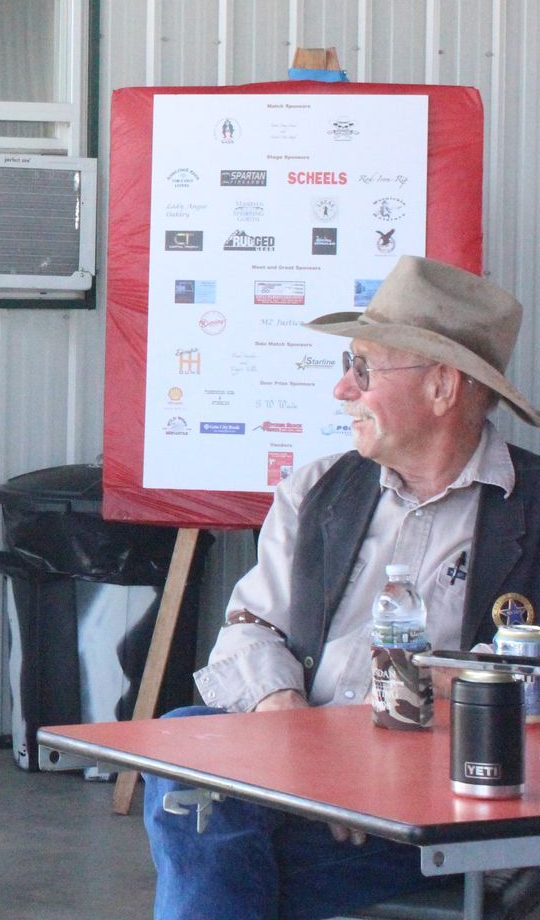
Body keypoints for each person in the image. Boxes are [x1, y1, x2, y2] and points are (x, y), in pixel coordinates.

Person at [143, 255, 540, 920]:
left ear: (442, 386)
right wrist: (297, 734)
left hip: (437, 802)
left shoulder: (531, 507)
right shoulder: (316, 490)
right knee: (187, 743)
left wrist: (387, 753)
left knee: (212, 844)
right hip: (292, 777)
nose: (341, 389)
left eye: (362, 368)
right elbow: (250, 625)